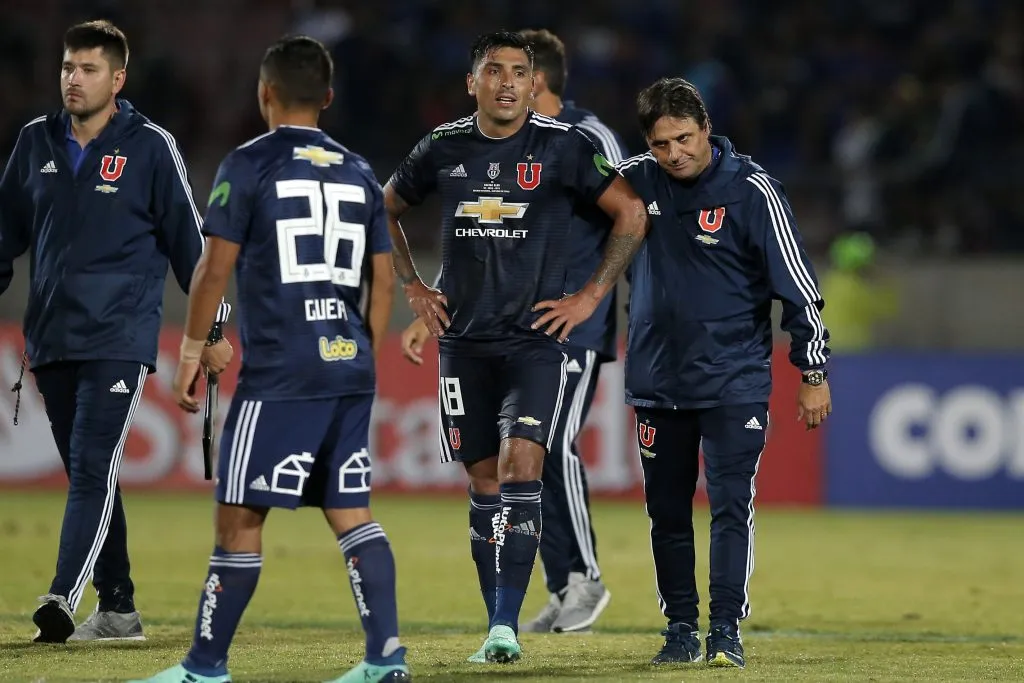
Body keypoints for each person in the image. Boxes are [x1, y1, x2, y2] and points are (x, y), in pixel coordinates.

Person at [131, 36, 409, 683]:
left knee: (238, 518)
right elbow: (385, 281)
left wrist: (192, 349)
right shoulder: (360, 169)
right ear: (329, 97)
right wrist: (360, 351)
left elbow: (212, 268)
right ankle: (386, 656)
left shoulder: (249, 164)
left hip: (283, 369)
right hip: (350, 364)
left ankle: (204, 667)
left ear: (265, 94)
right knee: (351, 512)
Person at [383, 30, 647, 663]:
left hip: (536, 342)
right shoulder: (441, 148)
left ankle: (512, 622)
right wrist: (414, 288)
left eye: (518, 72)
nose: (506, 81)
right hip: (464, 345)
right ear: (471, 82)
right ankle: (496, 620)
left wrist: (588, 297)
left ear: (536, 85)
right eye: (493, 70)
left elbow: (631, 214)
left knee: (525, 462)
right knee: (481, 481)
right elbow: (382, 207)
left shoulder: (565, 147)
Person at [0, 19, 232, 644]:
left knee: (93, 461)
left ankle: (62, 595)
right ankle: (120, 609)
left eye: (89, 69)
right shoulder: (34, 142)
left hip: (121, 337)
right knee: (89, 474)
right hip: (49, 341)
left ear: (118, 77)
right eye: (68, 68)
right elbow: (4, 238)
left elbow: (193, 247)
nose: (74, 80)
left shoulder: (151, 146)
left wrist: (212, 327)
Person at [615, 77, 832, 668]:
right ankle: (681, 629)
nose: (675, 153)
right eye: (662, 144)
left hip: (734, 380)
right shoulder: (633, 181)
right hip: (658, 380)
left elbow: (799, 286)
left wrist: (812, 370)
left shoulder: (751, 190)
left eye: (684, 138)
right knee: (666, 511)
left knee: (732, 506)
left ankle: (725, 630)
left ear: (706, 128)